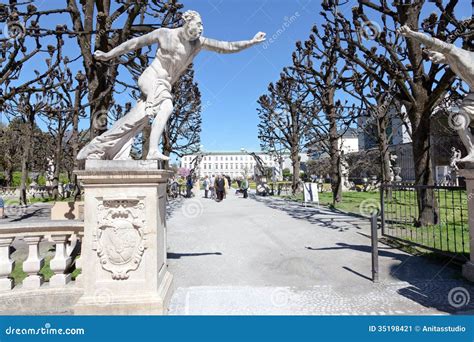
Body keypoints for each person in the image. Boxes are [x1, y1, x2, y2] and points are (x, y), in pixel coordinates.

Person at [77, 10, 266, 161]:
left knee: (138, 118)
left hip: (164, 84)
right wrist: (109, 55)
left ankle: (97, 146)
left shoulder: (198, 44)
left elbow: (227, 47)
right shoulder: (163, 34)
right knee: (167, 106)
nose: (201, 29)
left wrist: (251, 42)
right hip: (150, 78)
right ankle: (152, 151)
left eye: (203, 26)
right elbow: (133, 43)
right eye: (199, 24)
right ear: (188, 21)